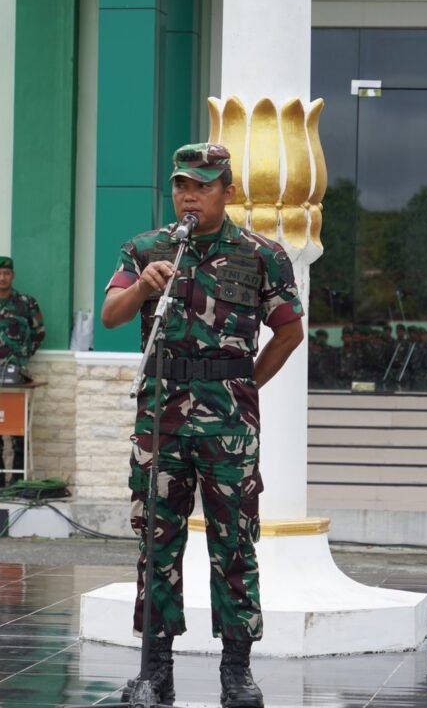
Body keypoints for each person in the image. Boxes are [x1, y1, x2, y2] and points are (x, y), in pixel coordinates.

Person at [100, 142, 304, 707]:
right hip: (160, 418)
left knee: (233, 542)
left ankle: (236, 669)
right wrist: (144, 286)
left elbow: (289, 330)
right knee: (155, 541)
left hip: (228, 423)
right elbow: (112, 315)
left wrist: (245, 385)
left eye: (202, 186)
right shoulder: (147, 248)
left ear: (228, 192)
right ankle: (155, 670)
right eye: (182, 185)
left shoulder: (262, 254)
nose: (190, 196)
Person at [0, 256, 45, 488]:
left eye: (7, 273)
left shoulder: (26, 303)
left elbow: (38, 332)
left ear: (12, 275)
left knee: (18, 423)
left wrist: (23, 355)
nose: (2, 278)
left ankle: (18, 476)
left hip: (17, 373)